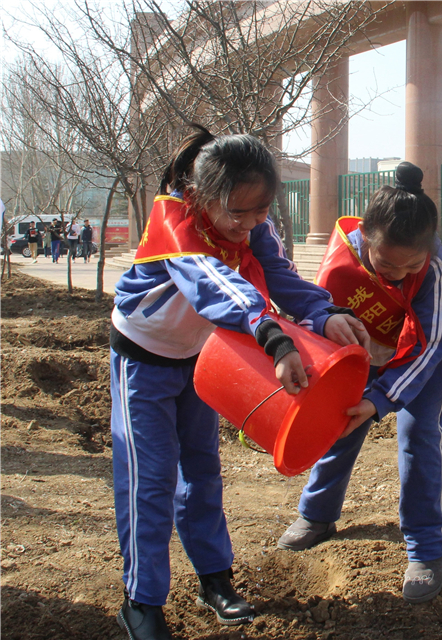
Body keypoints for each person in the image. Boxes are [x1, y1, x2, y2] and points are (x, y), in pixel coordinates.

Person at [110, 124, 369, 640]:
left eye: (262, 210)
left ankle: (214, 578)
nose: (250, 224)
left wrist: (324, 315)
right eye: (238, 212)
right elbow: (215, 285)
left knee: (202, 470)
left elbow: (281, 277)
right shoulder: (174, 222)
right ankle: (141, 601)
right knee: (150, 478)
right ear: (204, 197)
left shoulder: (252, 227)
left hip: (199, 359)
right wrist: (273, 337)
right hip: (143, 360)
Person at [278, 162, 442, 605]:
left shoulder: (436, 266)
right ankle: (317, 514)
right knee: (340, 426)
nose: (398, 274)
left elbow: (432, 341)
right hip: (356, 348)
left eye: (411, 265)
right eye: (386, 263)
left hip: (418, 356)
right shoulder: (343, 255)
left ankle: (425, 547)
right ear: (365, 237)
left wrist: (381, 399)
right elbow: (317, 314)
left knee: (419, 436)